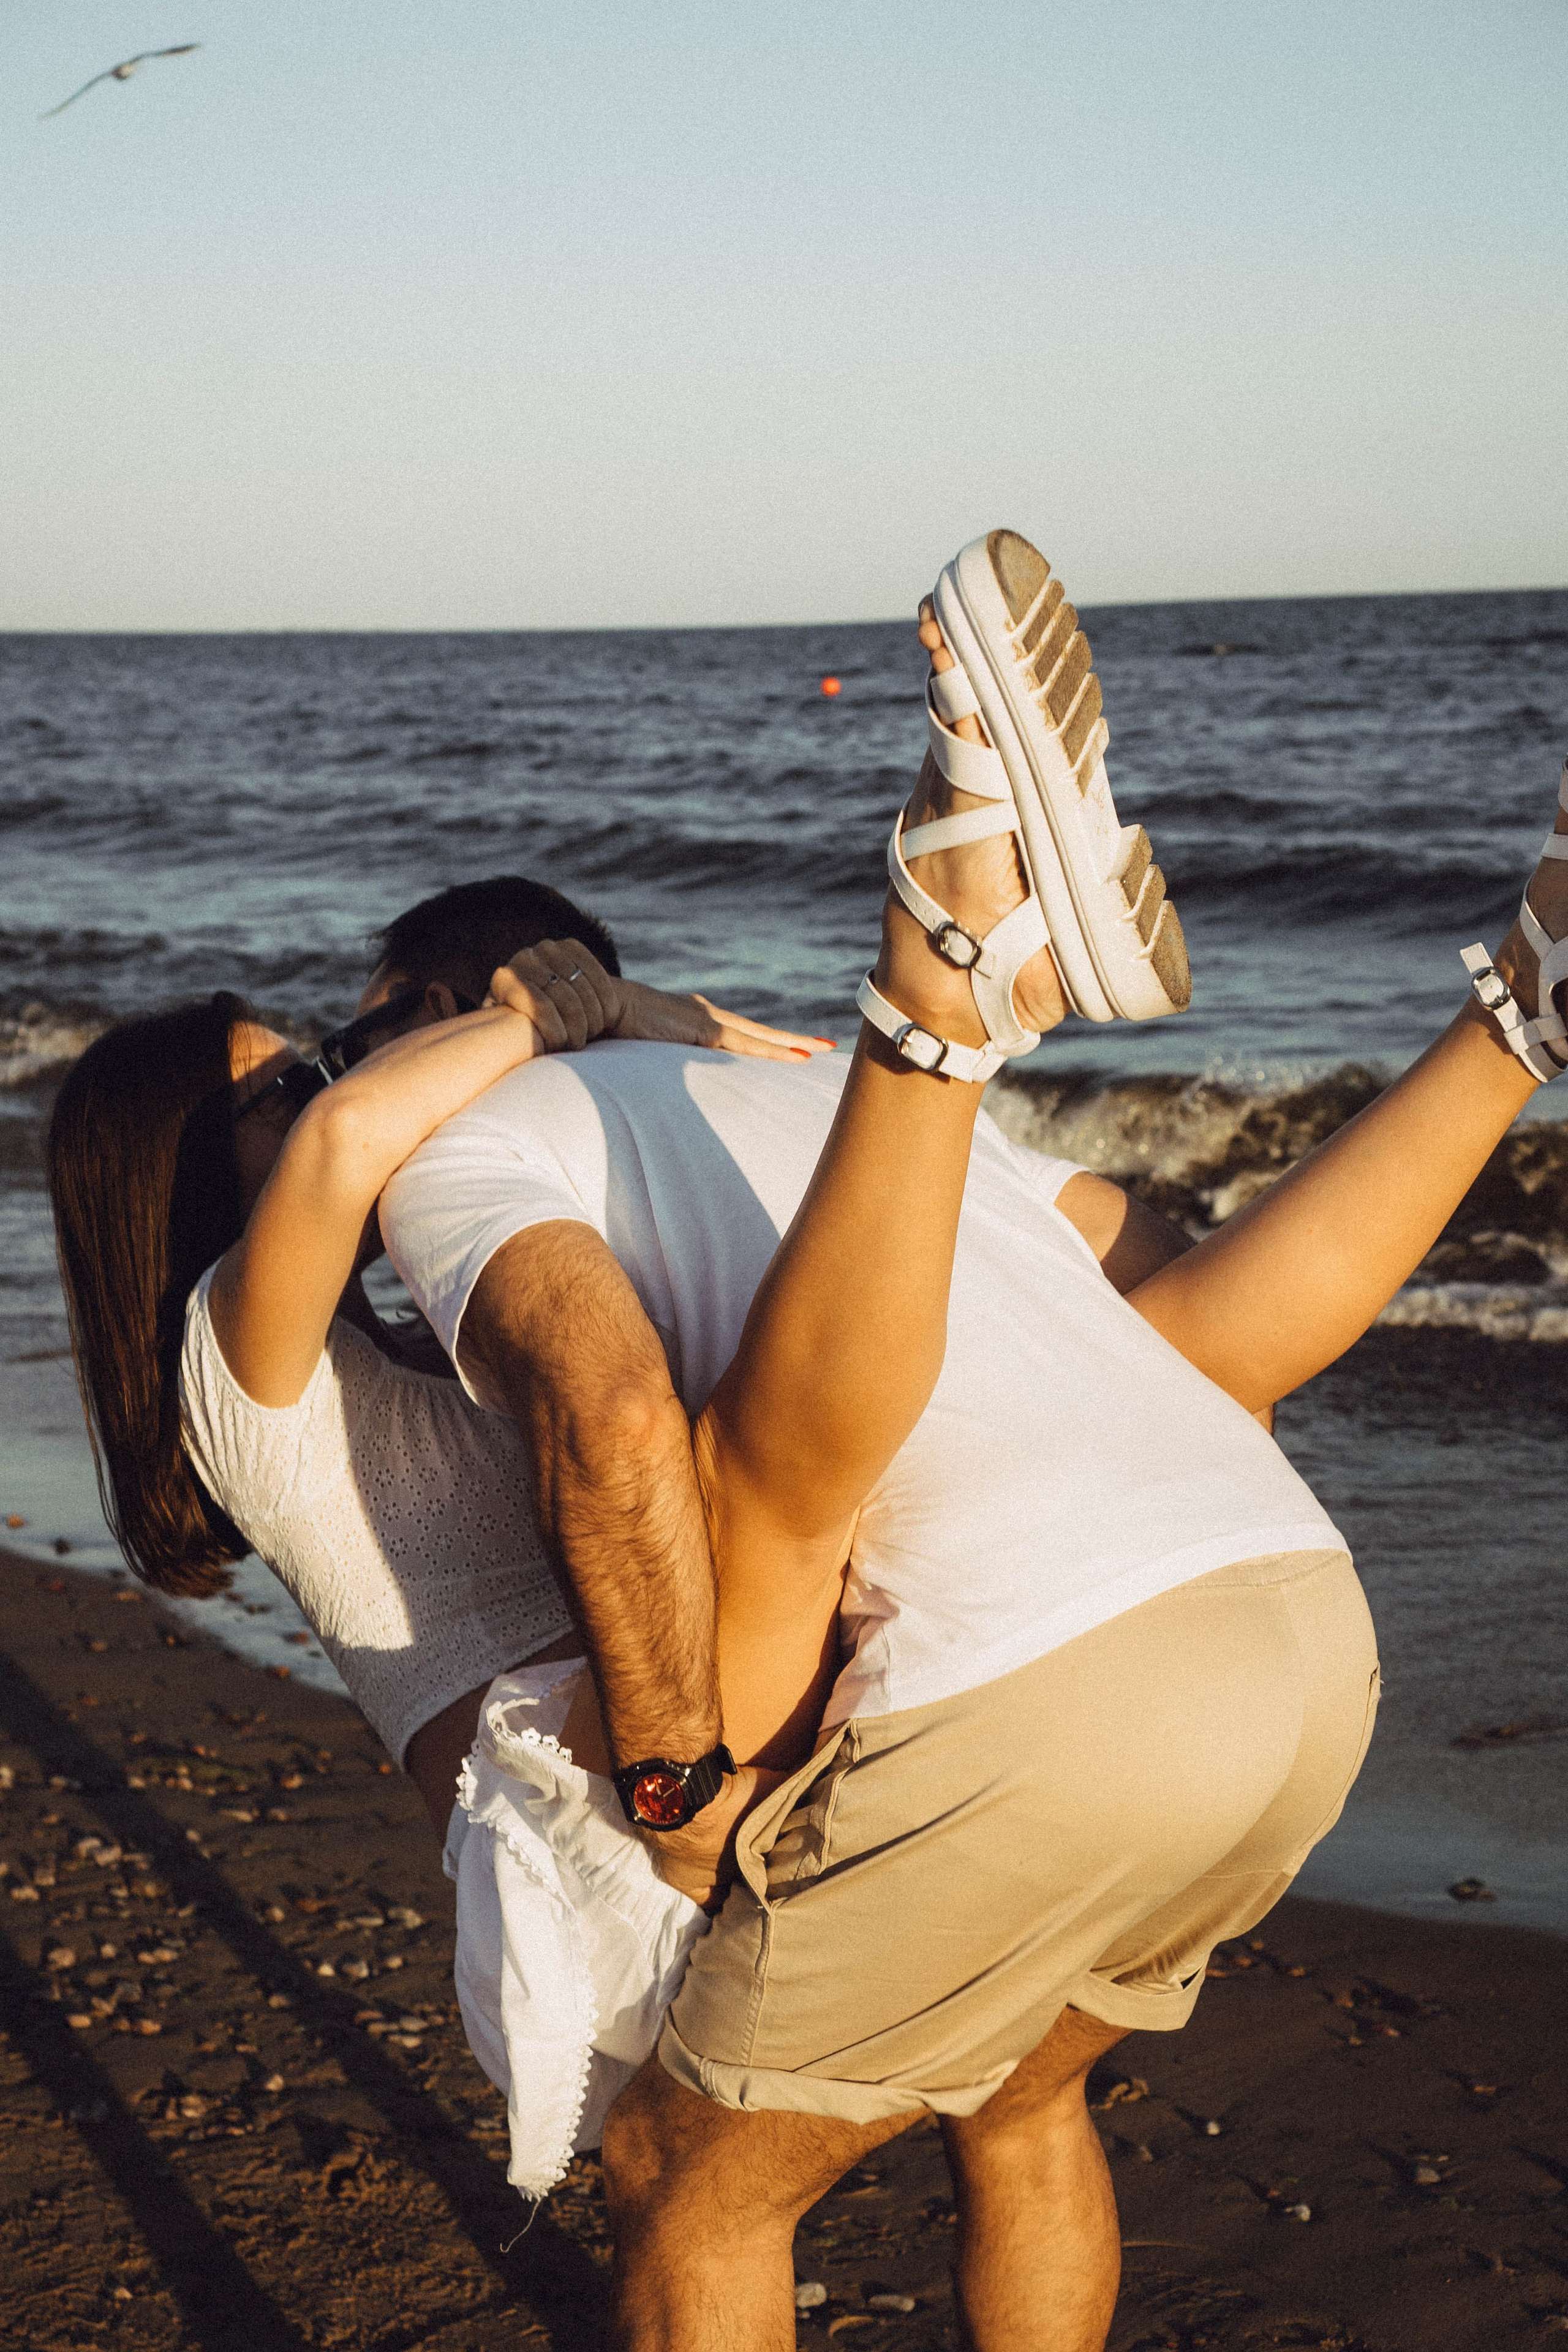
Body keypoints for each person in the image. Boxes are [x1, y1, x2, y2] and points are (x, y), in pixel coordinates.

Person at [44, 522, 1565, 2352]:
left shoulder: (474, 1221)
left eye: (325, 1055)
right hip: (620, 1828)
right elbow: (1176, 1332)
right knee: (944, 2109)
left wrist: (631, 1037)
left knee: (790, 2154)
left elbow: (1149, 1324)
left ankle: (945, 1011)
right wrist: (589, 1017)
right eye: (278, 1086)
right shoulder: (241, 1360)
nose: (325, 1092)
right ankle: (1096, 1020)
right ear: (176, 1192)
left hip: (736, 1748)